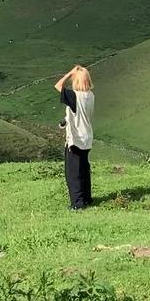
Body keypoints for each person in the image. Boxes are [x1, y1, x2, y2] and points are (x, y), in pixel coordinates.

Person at [54, 65, 95, 210]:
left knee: (73, 173)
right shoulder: (90, 95)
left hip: (76, 140)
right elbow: (79, 114)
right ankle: (87, 198)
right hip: (87, 137)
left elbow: (58, 86)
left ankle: (77, 204)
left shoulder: (74, 96)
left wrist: (70, 72)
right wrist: (66, 121)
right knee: (84, 170)